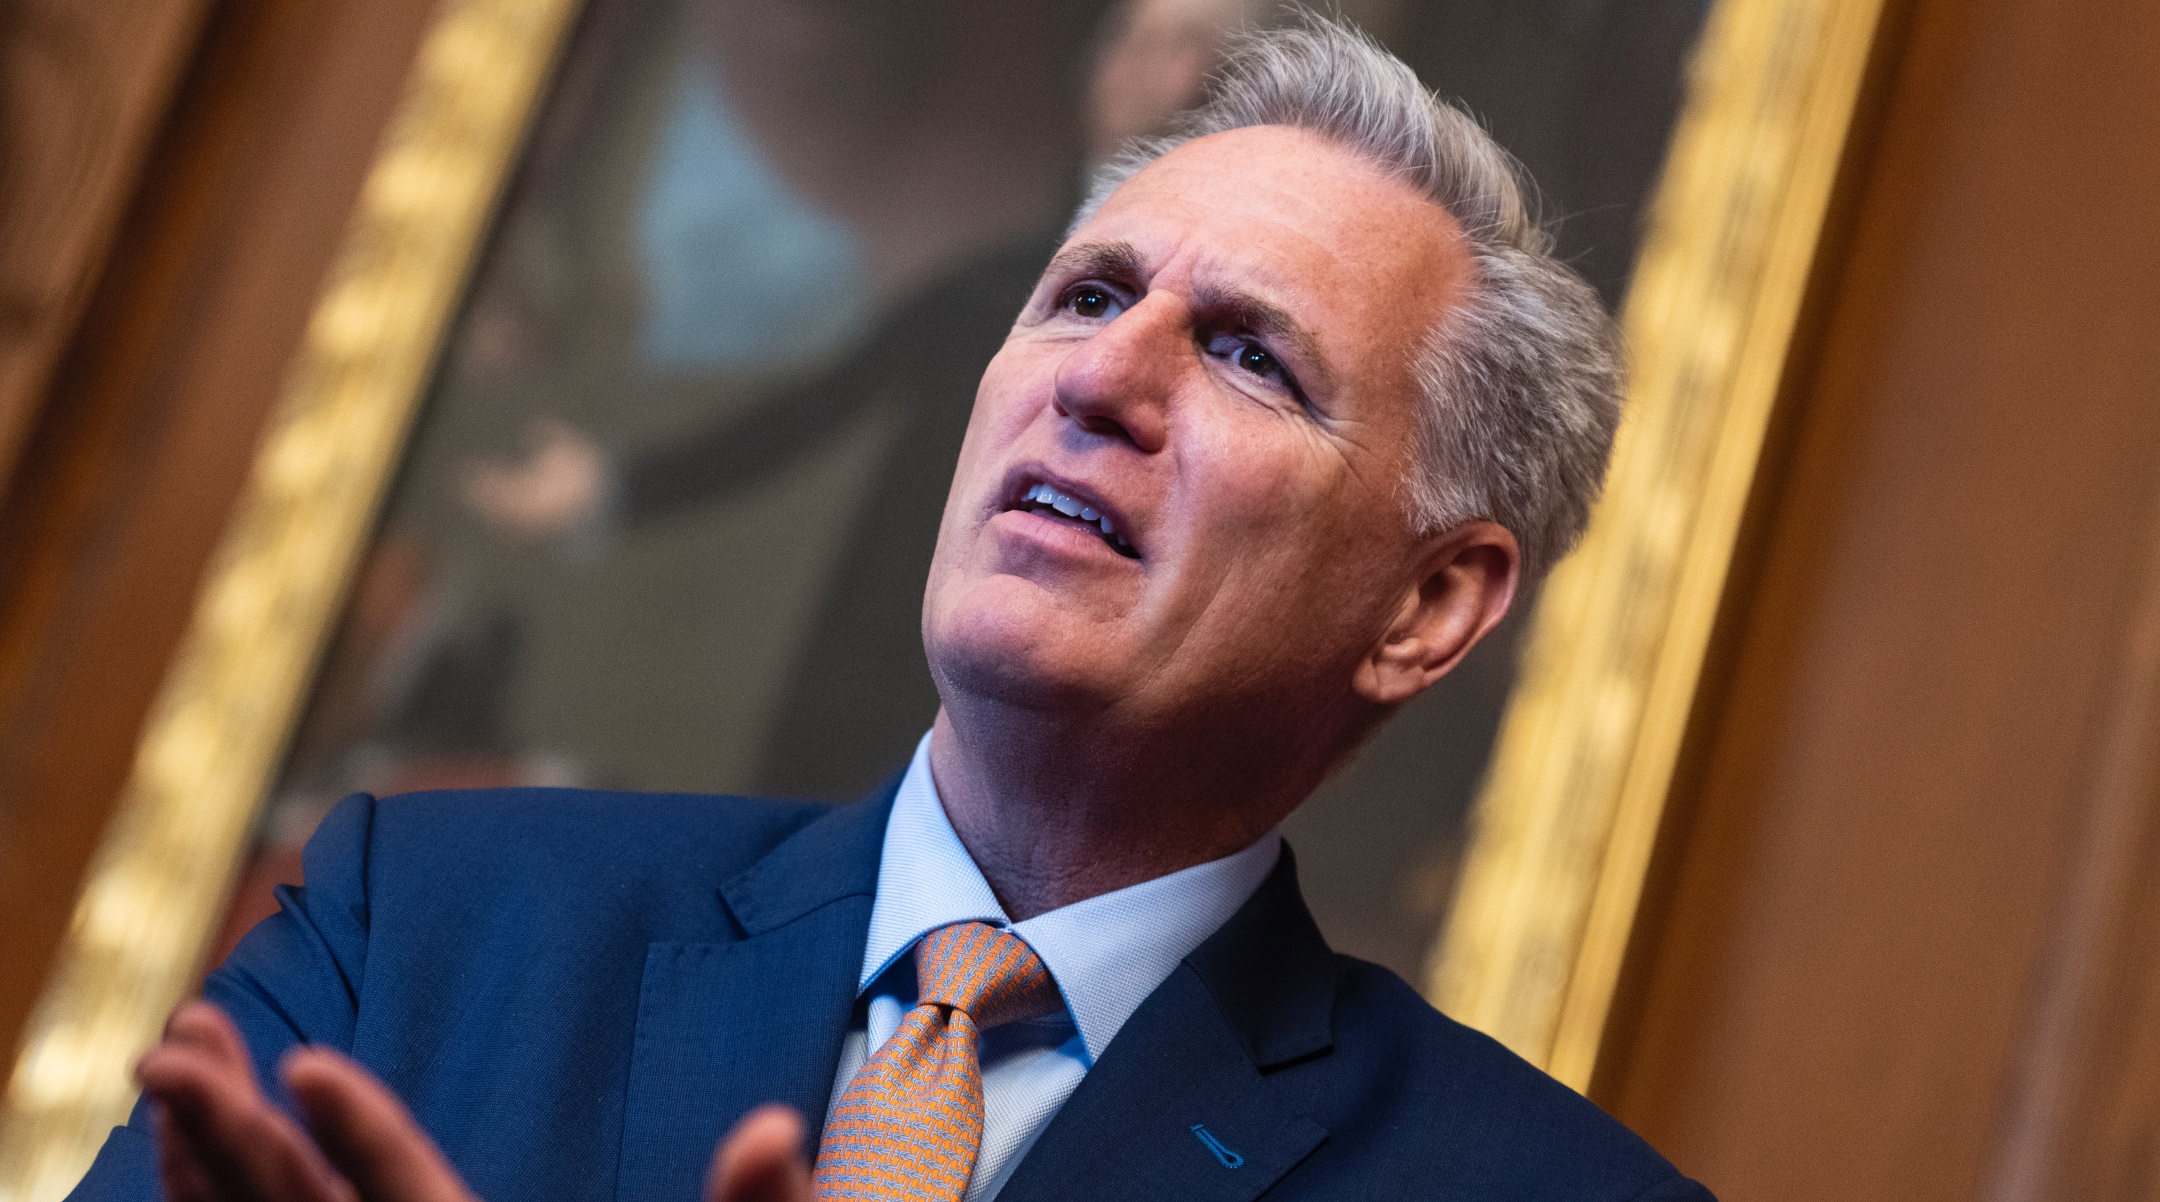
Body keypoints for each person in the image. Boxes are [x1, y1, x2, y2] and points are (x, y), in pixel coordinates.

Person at [77, 16, 1713, 1202]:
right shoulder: (416, 928)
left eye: (1246, 355)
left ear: (1428, 605)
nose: (1104, 378)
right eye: (1087, 293)